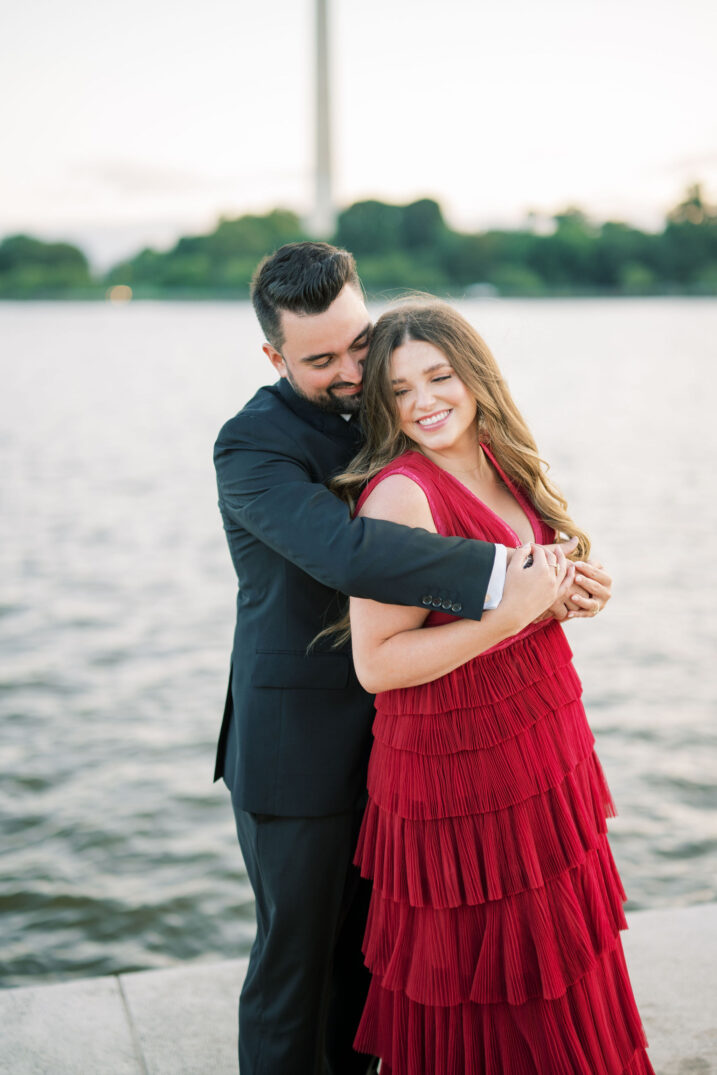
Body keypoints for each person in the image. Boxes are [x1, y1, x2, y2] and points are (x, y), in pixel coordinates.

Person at [213, 242, 606, 1075]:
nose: (354, 370)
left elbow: (468, 481)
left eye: (360, 344)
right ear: (273, 356)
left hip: (419, 742)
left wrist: (555, 567)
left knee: (378, 971)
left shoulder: (395, 403)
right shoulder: (250, 446)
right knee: (298, 973)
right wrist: (512, 580)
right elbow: (350, 552)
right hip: (306, 747)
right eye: (320, 360)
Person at [333, 299, 649, 1075]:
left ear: (474, 376)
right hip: (456, 770)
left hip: (541, 739)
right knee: (490, 985)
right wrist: (513, 614)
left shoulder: (500, 458)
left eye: (438, 376)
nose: (423, 402)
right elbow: (375, 662)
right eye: (399, 389)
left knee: (561, 954)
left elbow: (523, 590)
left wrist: (571, 592)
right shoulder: (401, 495)